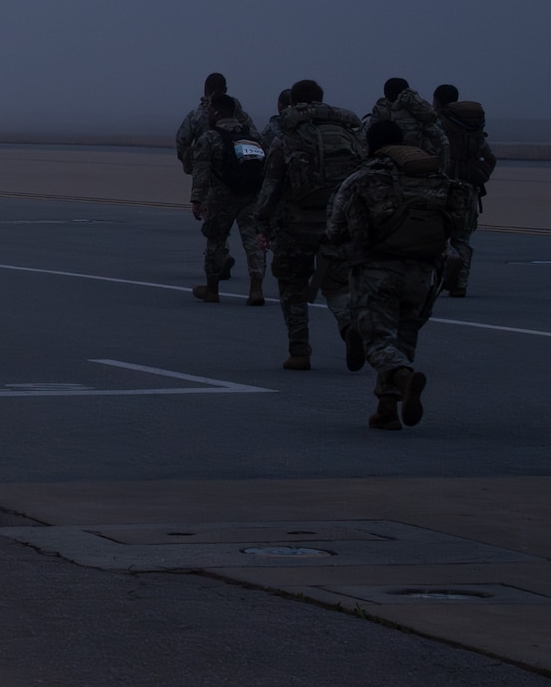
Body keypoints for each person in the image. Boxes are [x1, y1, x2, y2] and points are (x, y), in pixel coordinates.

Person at [326, 119, 477, 430]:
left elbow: (336, 227)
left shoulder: (364, 178)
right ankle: (387, 408)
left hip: (377, 272)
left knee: (378, 342)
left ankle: (404, 379)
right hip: (423, 272)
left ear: (371, 144)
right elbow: (461, 224)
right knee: (404, 339)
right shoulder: (432, 177)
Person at [252, 80, 365, 369]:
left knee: (292, 287)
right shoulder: (349, 135)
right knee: (337, 284)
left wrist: (261, 222)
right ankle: (349, 326)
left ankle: (299, 350)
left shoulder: (288, 137)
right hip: (339, 225)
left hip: (296, 225)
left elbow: (271, 187)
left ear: (294, 103)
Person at [189, 95, 266, 303]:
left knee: (215, 241)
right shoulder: (252, 135)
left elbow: (201, 171)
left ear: (217, 113)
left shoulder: (210, 138)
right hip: (251, 196)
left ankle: (212, 289)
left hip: (221, 199)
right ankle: (256, 289)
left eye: (210, 111)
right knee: (252, 242)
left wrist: (197, 199)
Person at [433, 84, 497, 297]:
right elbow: (489, 158)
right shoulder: (473, 128)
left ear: (437, 101)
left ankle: (440, 278)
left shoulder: (438, 125)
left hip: (442, 188)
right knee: (462, 240)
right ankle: (460, 283)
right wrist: (478, 175)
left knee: (436, 236)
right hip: (468, 190)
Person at [369, 79, 448, 164]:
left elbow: (366, 137)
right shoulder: (421, 114)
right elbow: (442, 142)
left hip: (389, 162)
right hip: (420, 161)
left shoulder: (381, 112)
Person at [175, 73, 234, 174]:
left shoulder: (196, 115)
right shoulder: (238, 113)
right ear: (225, 90)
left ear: (205, 90)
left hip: (206, 175)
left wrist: (196, 162)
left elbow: (181, 144)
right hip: (236, 176)